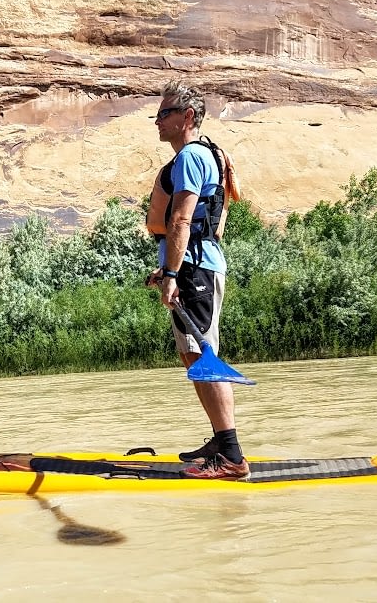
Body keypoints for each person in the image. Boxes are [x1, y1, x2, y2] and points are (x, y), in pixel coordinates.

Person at [143, 80, 248, 481]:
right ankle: (221, 442)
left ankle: (233, 455)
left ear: (187, 116)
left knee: (202, 355)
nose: (157, 121)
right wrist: (170, 265)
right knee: (194, 355)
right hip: (197, 264)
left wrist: (173, 272)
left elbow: (182, 218)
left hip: (194, 270)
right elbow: (211, 219)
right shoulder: (210, 154)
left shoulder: (190, 156)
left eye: (164, 113)